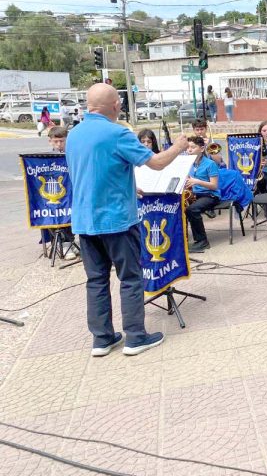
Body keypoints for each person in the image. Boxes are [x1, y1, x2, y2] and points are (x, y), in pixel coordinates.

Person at [66, 83, 188, 357]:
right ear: (114, 106)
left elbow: (91, 172)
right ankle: (135, 337)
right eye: (120, 104)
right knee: (131, 278)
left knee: (96, 281)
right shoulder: (117, 133)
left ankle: (102, 339)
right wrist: (179, 147)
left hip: (85, 221)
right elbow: (156, 163)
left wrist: (129, 186)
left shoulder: (74, 134)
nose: (120, 107)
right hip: (117, 220)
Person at [42, 127, 77, 259]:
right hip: (54, 193)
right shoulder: (46, 158)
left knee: (70, 214)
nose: (59, 144)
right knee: (54, 213)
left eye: (62, 141)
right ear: (50, 141)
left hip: (69, 191)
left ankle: (69, 241)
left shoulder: (72, 154)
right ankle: (60, 242)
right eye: (55, 141)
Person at [185, 136, 221, 252]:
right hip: (195, 194)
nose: (189, 150)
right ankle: (182, 238)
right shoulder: (189, 163)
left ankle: (202, 241)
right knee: (178, 207)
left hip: (210, 195)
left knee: (192, 210)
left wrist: (197, 181)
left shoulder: (210, 164)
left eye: (193, 147)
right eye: (188, 147)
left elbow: (214, 186)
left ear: (201, 149)